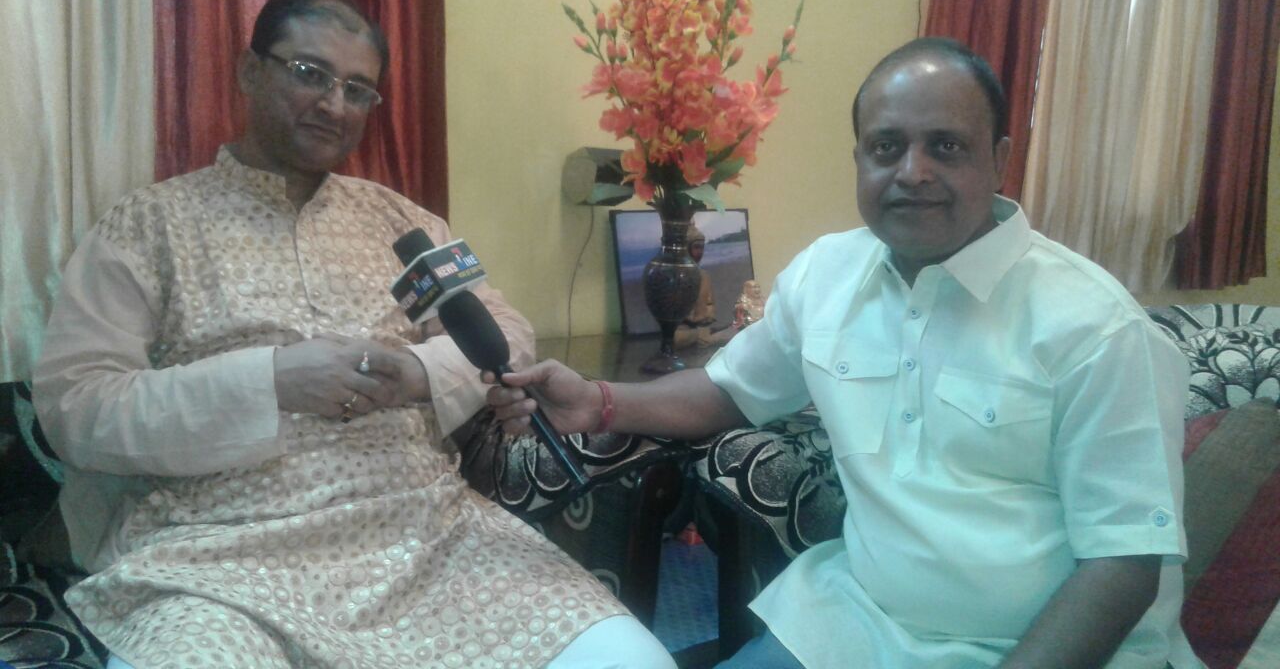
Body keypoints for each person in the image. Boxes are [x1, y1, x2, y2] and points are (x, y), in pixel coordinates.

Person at [487, 37, 1203, 669]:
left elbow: (1123, 565)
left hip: (1037, 647)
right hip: (856, 626)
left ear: (1000, 161)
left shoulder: (1095, 326)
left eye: (946, 146)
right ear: (858, 158)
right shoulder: (827, 275)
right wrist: (597, 401)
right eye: (887, 147)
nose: (912, 171)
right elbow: (730, 390)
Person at [33, 0, 674, 669]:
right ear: (250, 71)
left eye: (357, 89)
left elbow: (505, 332)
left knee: (633, 662)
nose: (334, 104)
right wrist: (272, 381)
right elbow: (78, 407)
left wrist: (420, 374)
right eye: (308, 73)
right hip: (215, 561)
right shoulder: (146, 226)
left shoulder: (404, 224)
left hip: (428, 536)